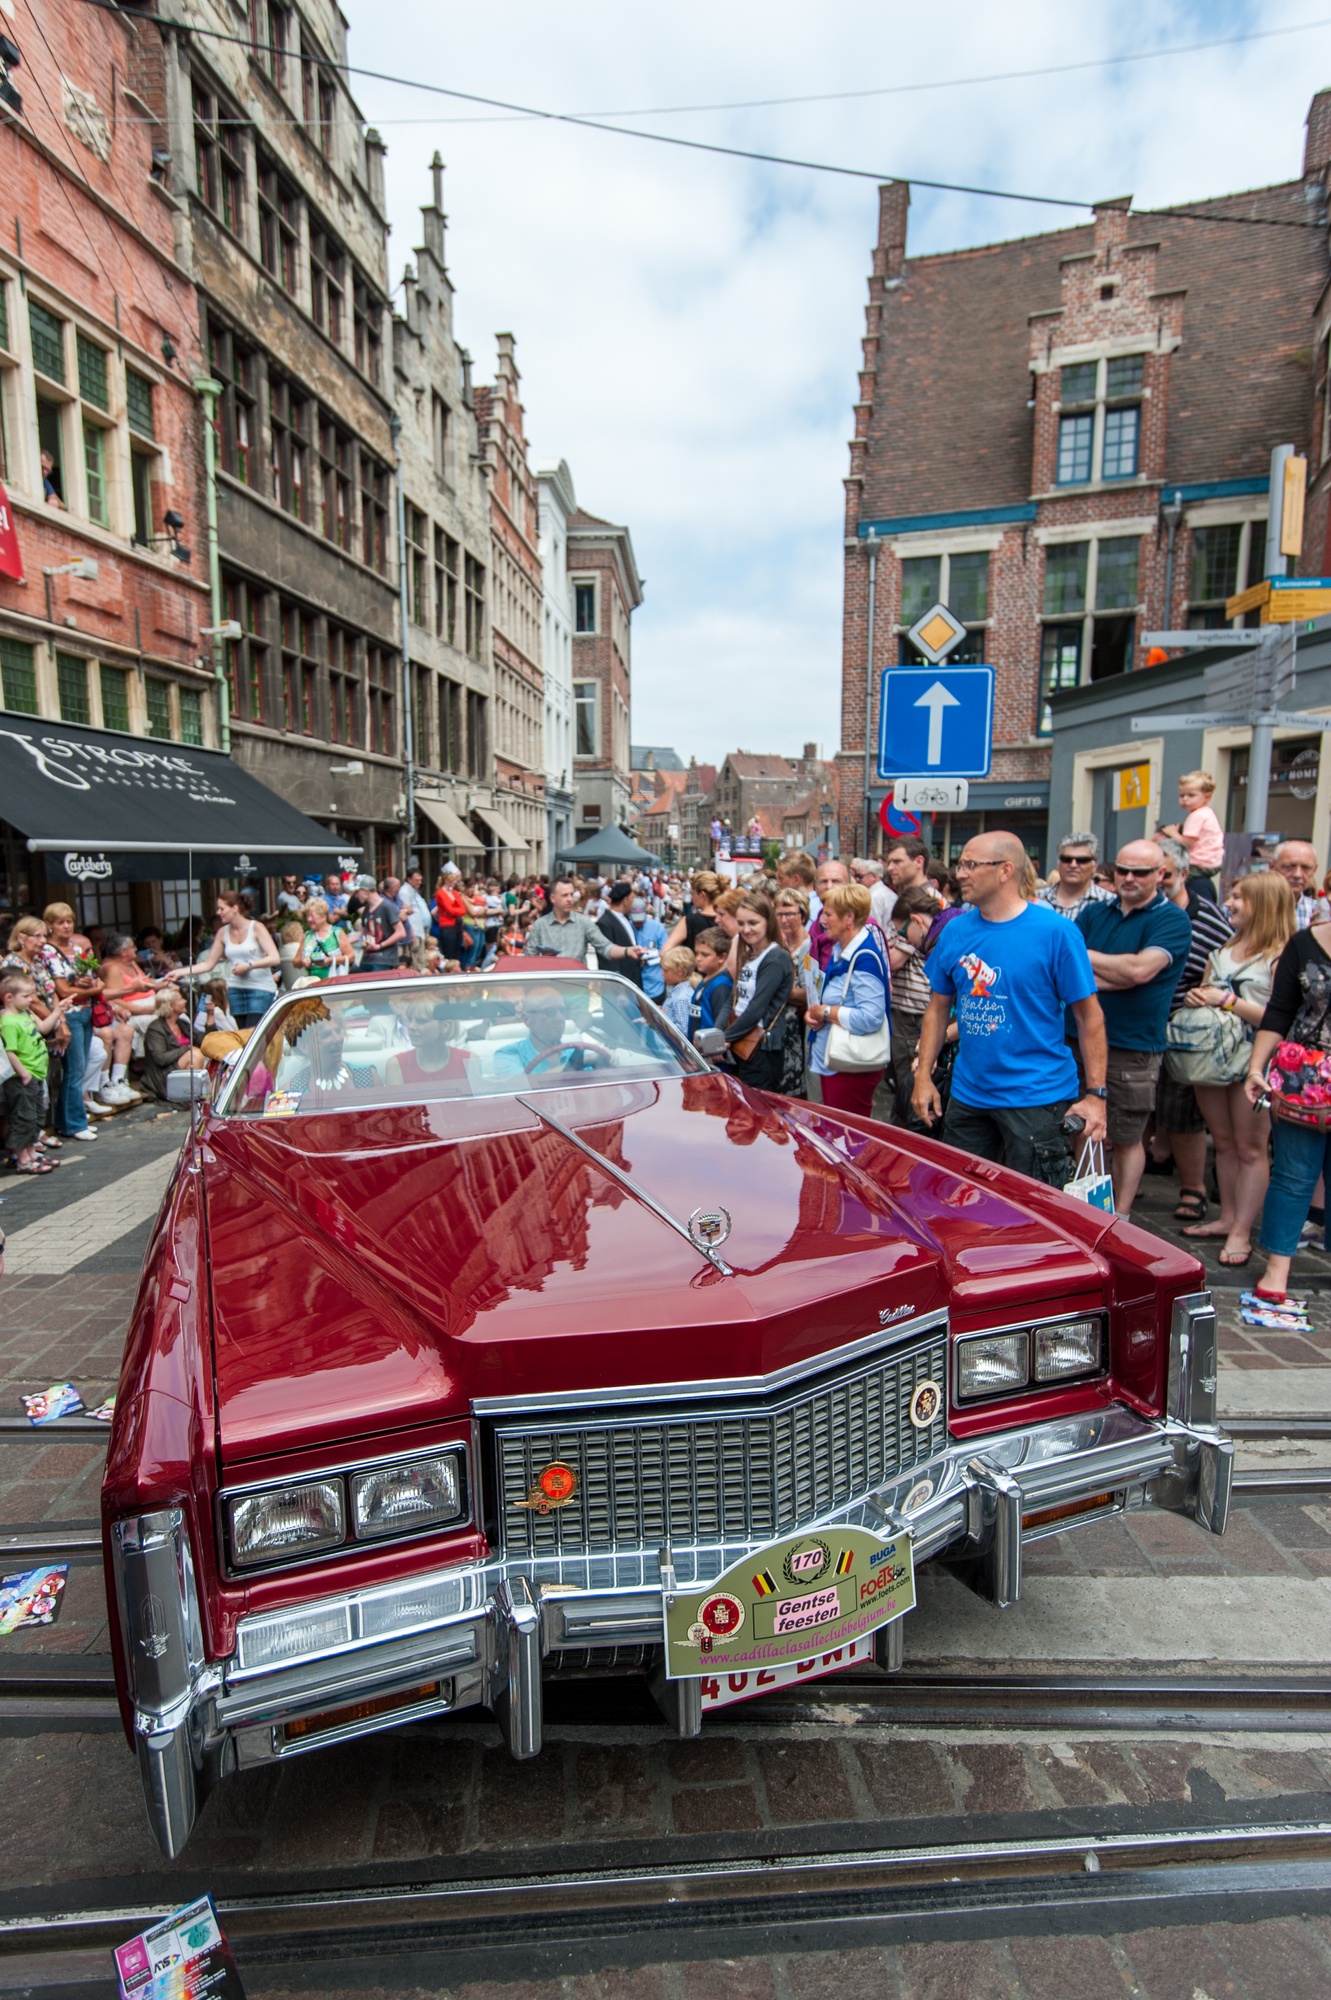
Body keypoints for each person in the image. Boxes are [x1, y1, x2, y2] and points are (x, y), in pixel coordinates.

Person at [914, 832, 1108, 1183]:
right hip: (968, 1094)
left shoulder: (1056, 933)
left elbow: (1088, 1015)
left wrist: (1096, 1095)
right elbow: (938, 1007)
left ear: (1005, 871)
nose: (961, 874)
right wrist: (923, 1075)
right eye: (961, 864)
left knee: (1036, 1212)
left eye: (971, 865)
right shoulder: (956, 931)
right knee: (960, 1201)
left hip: (1036, 1097)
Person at [1174, 872, 1294, 1266]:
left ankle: (1243, 1229)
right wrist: (1198, 998)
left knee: (1250, 1148)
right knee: (1222, 1143)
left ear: (1264, 903)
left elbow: (1280, 1020)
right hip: (1212, 1058)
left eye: (1239, 896)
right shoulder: (1223, 949)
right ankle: (1226, 1218)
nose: (1229, 902)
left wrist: (1225, 1000)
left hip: (1252, 1063)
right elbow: (1207, 996)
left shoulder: (1280, 956)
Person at [1075, 840, 1193, 1218]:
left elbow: (1140, 971)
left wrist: (1085, 961)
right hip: (1077, 1037)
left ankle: (1119, 1219)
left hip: (1132, 1044)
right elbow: (1066, 966)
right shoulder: (1095, 912)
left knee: (1124, 1136)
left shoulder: (1171, 919)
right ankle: (1083, 1212)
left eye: (1140, 872)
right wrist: (1116, 971)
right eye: (1122, 869)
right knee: (1081, 1127)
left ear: (1161, 874)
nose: (1128, 878)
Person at [1245, 907, 1331, 1304]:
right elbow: (1279, 1009)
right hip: (1305, 1076)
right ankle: (1278, 1267)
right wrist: (1255, 1067)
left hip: (1307, 1076)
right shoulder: (1305, 942)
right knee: (1294, 1173)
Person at [1147, 838, 1235, 1228]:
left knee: (1183, 1110)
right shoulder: (1133, 911)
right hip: (1139, 1022)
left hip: (1184, 1027)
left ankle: (1193, 1187)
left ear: (1182, 874)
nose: (1158, 878)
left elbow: (1226, 967)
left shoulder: (1210, 919)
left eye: (1164, 871)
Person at [805, 882, 890, 1117]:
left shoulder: (864, 958)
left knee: (849, 1139)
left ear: (849, 917)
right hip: (836, 1062)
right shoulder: (842, 949)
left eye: (828, 914)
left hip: (850, 1067)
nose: (822, 919)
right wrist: (817, 1012)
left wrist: (825, 1013)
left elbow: (871, 1017)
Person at [0, 919, 70, 1144]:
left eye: (44, 936)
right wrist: (24, 1073)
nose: (43, 941)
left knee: (37, 1100)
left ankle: (31, 1141)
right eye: (38, 936)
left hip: (36, 1044)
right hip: (25, 1063)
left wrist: (59, 1015)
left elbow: (49, 993)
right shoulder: (13, 967)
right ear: (21, 937)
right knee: (21, 1106)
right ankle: (21, 1150)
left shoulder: (40, 961)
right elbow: (33, 1001)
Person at [40, 903, 103, 1141]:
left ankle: (71, 1118)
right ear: (50, 925)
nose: (66, 926)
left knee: (81, 1065)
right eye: (60, 922)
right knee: (74, 1069)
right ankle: (73, 1124)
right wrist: (86, 989)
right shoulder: (47, 951)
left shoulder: (77, 948)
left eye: (69, 921)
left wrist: (88, 987)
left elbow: (98, 982)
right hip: (70, 1014)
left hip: (86, 1011)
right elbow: (64, 989)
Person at [720, 893, 794, 1091]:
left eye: (753, 922)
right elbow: (733, 998)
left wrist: (724, 1038)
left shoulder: (776, 957)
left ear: (768, 922)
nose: (746, 929)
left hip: (762, 1049)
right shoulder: (749, 953)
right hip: (740, 1042)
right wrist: (718, 1033)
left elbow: (757, 1008)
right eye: (741, 923)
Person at [175, 890, 280, 1029]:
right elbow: (208, 964)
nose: (218, 912)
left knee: (252, 1034)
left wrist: (249, 965)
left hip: (260, 989)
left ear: (235, 908)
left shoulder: (256, 927)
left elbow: (275, 958)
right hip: (235, 989)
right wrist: (179, 972)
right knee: (242, 1034)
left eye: (221, 908)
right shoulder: (222, 932)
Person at [1, 972, 70, 1174]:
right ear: (9, 997)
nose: (31, 1000)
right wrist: (23, 1073)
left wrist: (57, 1011)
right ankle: (21, 1158)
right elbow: (9, 1051)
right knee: (22, 1117)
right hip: (24, 1077)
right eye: (26, 996)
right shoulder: (8, 1022)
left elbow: (43, 1027)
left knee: (34, 1117)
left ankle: (32, 1154)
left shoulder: (25, 1013)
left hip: (37, 1073)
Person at [884, 885, 936, 1123]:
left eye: (903, 934)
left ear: (916, 920)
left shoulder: (940, 942)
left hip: (916, 1010)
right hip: (918, 1014)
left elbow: (892, 960)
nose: (904, 940)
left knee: (911, 1083)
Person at [523, 876, 646, 971]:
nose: (570, 899)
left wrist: (628, 951)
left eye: (571, 894)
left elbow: (606, 948)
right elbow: (528, 959)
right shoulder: (540, 925)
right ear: (553, 898)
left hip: (578, 991)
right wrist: (542, 961)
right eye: (565, 895)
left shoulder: (584, 922)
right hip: (549, 990)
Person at [494, 984, 609, 1077]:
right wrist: (573, 1066)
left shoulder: (578, 1052)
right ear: (527, 1019)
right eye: (550, 1012)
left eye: (562, 1011)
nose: (560, 1018)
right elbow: (519, 1086)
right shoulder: (508, 1054)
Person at [141, 987, 207, 1102]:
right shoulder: (156, 1029)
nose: (185, 1001)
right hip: (164, 1075)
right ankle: (188, 1096)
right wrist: (187, 1048)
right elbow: (160, 1058)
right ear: (171, 1006)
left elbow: (203, 1039)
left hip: (182, 1069)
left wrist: (210, 1018)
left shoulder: (182, 1024)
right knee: (194, 1054)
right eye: (181, 999)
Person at [1161, 769, 1224, 886]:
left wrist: (1172, 833)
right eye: (1182, 795)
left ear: (1207, 797)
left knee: (1176, 881)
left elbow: (1186, 843)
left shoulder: (1197, 816)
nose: (1185, 799)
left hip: (1199, 863)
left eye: (1191, 795)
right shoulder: (1207, 813)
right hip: (1211, 862)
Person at [1039, 832, 1114, 921]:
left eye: (1082, 860)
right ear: (1058, 864)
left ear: (1094, 866)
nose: (1073, 865)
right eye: (1067, 859)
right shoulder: (1034, 898)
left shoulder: (1109, 903)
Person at [597, 882, 646, 989]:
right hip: (620, 985)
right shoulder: (605, 923)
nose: (634, 902)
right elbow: (607, 960)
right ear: (625, 901)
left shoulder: (625, 919)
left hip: (632, 979)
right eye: (632, 898)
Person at [1271, 841, 1331, 930]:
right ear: (1272, 867)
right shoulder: (1252, 907)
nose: (1297, 875)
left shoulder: (1319, 912)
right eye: (1289, 867)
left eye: (1306, 868)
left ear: (1314, 870)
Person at [688, 927, 734, 1041]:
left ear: (722, 957)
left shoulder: (721, 985)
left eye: (705, 955)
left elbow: (721, 1023)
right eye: (697, 953)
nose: (698, 959)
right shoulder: (707, 978)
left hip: (709, 1050)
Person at [664, 871, 723, 953]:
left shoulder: (689, 921)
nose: (691, 898)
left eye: (692, 894)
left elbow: (664, 951)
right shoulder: (727, 919)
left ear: (702, 895)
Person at [295, 898, 354, 980]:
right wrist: (303, 961)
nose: (309, 919)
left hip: (334, 982)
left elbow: (351, 957)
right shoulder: (307, 935)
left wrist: (331, 960)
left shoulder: (336, 932)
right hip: (313, 983)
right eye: (307, 916)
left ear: (323, 916)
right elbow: (295, 961)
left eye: (312, 916)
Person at [808, 859, 850, 971]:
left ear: (849, 886)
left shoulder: (863, 924)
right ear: (816, 888)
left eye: (836, 881)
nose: (829, 886)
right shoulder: (815, 926)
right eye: (823, 881)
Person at [357, 880, 407, 972]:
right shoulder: (367, 909)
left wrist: (380, 946)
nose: (356, 895)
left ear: (367, 891)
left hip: (383, 960)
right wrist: (342, 940)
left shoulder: (387, 906)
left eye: (358, 891)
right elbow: (362, 932)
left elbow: (401, 932)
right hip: (366, 960)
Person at [630, 896, 668, 1000]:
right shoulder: (627, 927)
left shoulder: (657, 928)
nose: (637, 923)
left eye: (640, 920)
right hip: (632, 982)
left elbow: (666, 952)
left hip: (654, 981)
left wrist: (650, 957)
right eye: (635, 920)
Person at [659, 947, 695, 1035]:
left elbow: (683, 1032)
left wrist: (661, 1018)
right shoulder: (676, 991)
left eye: (666, 971)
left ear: (680, 971)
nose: (662, 973)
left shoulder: (681, 998)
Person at [852, 858, 896, 929]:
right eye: (856, 876)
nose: (857, 879)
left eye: (860, 876)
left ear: (874, 876)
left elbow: (874, 927)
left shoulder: (873, 897)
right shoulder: (889, 893)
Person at [396, 867, 433, 947]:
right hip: (414, 932)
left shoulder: (413, 891)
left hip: (419, 931)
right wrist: (411, 933)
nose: (419, 882)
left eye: (420, 880)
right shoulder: (404, 892)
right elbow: (405, 914)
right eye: (417, 880)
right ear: (409, 879)